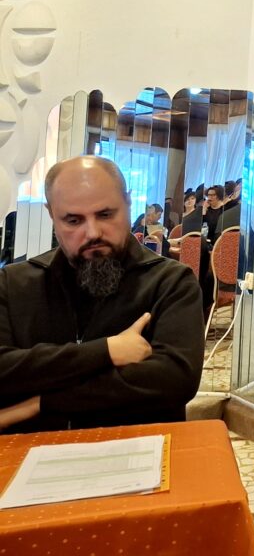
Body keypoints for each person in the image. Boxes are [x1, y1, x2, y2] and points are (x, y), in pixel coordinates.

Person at [0, 156, 205, 433]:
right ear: (52, 216)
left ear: (128, 204)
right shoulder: (14, 284)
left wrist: (41, 402)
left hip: (138, 450)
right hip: (26, 451)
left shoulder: (170, 282)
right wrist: (106, 351)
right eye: (73, 220)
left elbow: (174, 381)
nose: (93, 233)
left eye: (105, 215)